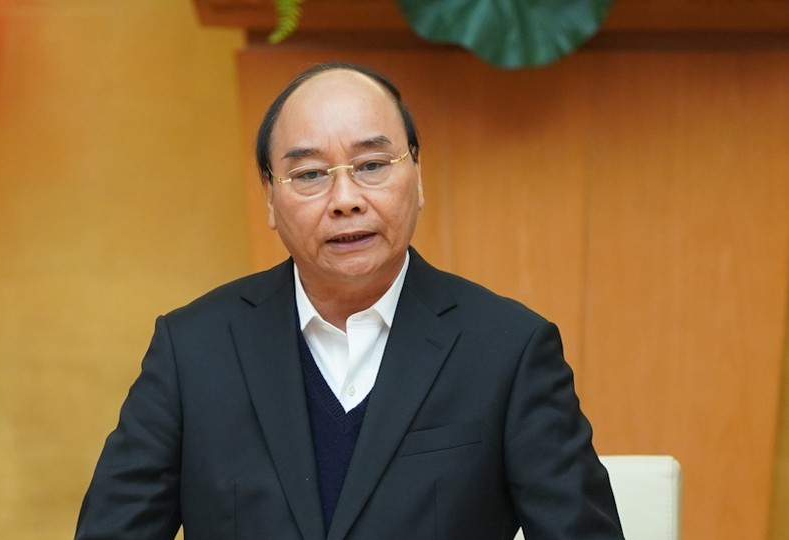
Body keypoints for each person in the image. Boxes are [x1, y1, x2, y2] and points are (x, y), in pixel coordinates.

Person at [74, 62, 624, 540]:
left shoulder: (508, 350)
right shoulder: (192, 351)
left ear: (417, 177)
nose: (345, 200)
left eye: (372, 166)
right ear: (270, 198)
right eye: (310, 174)